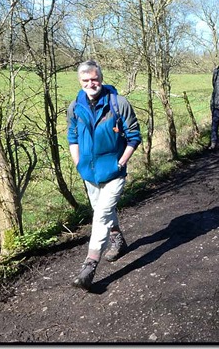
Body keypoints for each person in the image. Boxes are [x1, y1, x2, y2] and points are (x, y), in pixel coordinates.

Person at [67, 60, 142, 291]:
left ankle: (89, 266)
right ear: (80, 81)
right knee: (104, 211)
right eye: (86, 80)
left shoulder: (118, 103)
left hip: (113, 172)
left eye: (94, 79)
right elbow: (72, 137)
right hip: (89, 174)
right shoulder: (75, 106)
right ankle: (118, 240)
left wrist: (121, 162)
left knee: (100, 215)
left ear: (101, 78)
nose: (91, 83)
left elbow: (134, 136)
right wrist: (78, 163)